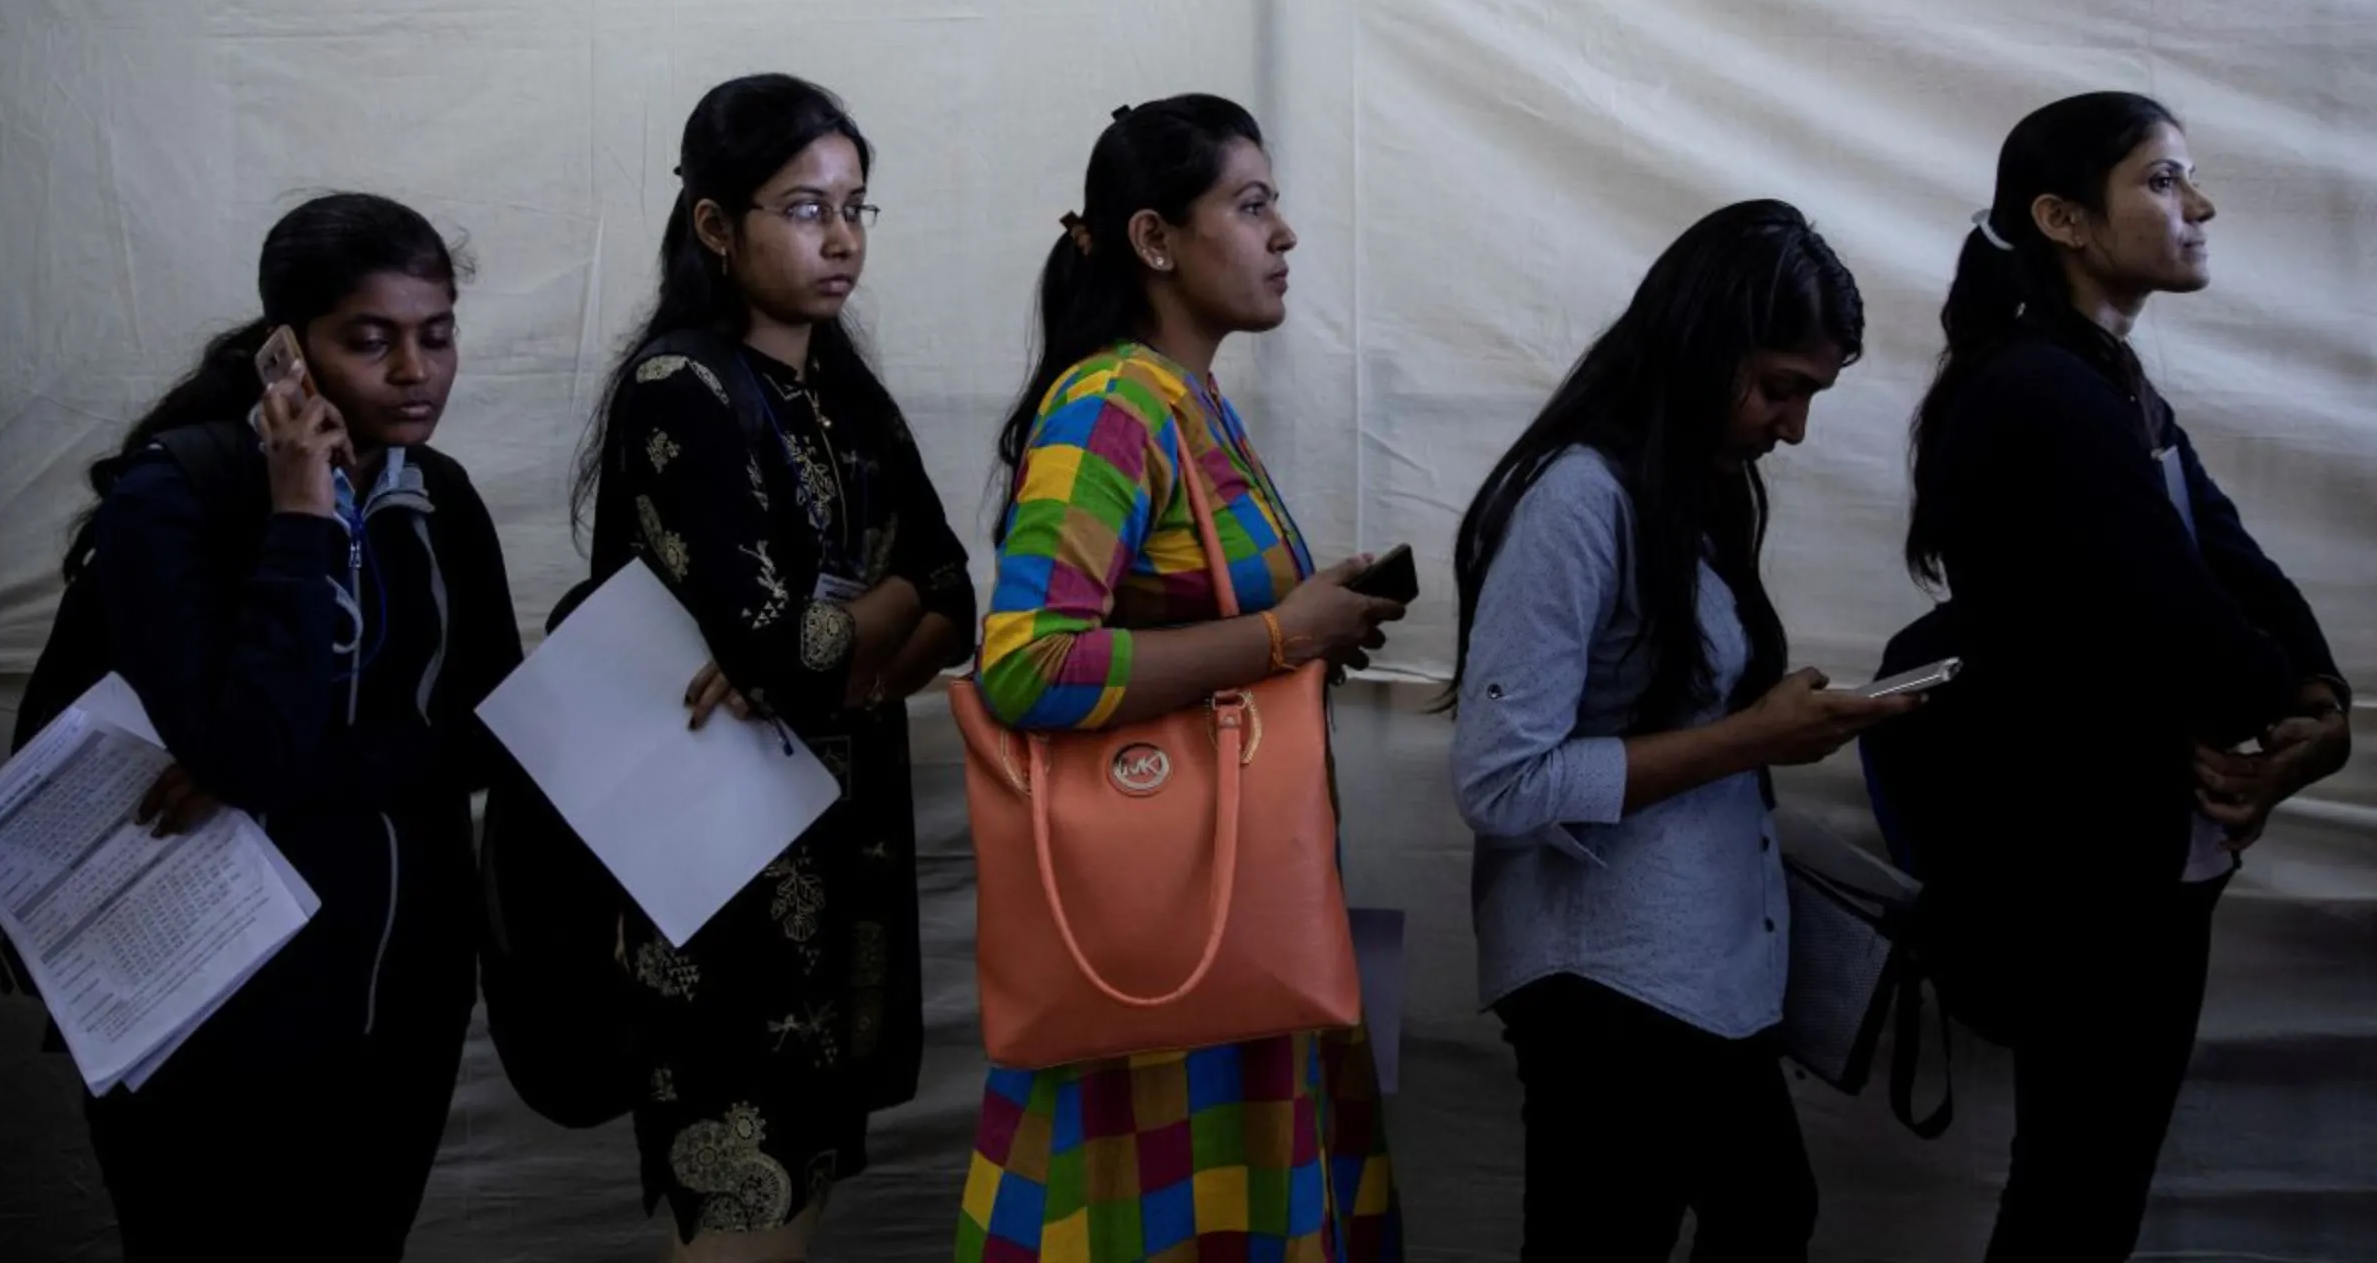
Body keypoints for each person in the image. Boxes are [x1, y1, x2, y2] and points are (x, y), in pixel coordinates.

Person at [1898, 92, 2350, 1260]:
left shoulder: (2108, 380)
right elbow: (2163, 600)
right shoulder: (2037, 387)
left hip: (2134, 858)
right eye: (2161, 181)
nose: (2198, 207)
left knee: (2087, 1187)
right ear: (2063, 218)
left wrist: (2319, 703)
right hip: (2079, 867)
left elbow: (2238, 566)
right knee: (2075, 1196)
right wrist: (2286, 710)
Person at [958, 96, 1407, 1263]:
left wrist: (1304, 622)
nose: (1285, 233)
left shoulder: (1188, 397)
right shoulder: (1112, 403)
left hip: (1231, 915)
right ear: (1155, 240)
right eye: (1252, 205)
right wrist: (1272, 641)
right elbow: (1026, 662)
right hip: (1165, 949)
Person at [1448, 200, 1913, 1263]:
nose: (1792, 426)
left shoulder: (1692, 487)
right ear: (1702, 348)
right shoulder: (1575, 497)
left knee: (1764, 1210)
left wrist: (1770, 717)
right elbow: (1501, 779)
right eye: (1781, 387)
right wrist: (1755, 734)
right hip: (1606, 980)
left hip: (1689, 967)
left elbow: (1681, 705)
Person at [65, 192, 522, 1262]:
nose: (415, 370)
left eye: (437, 334)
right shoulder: (177, 493)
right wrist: (302, 511)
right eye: (371, 340)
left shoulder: (441, 499)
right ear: (289, 348)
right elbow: (245, 748)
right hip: (206, 1007)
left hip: (399, 1003)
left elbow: (486, 734)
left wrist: (296, 771)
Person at [575, 73, 974, 1262]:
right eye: (806, 208)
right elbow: (781, 648)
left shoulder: (848, 397)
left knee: (799, 1206)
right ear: (715, 224)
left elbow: (960, 593)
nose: (842, 237)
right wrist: (878, 616)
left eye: (856, 206)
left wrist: (860, 640)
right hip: (721, 884)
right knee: (742, 1218)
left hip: (840, 862)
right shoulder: (683, 387)